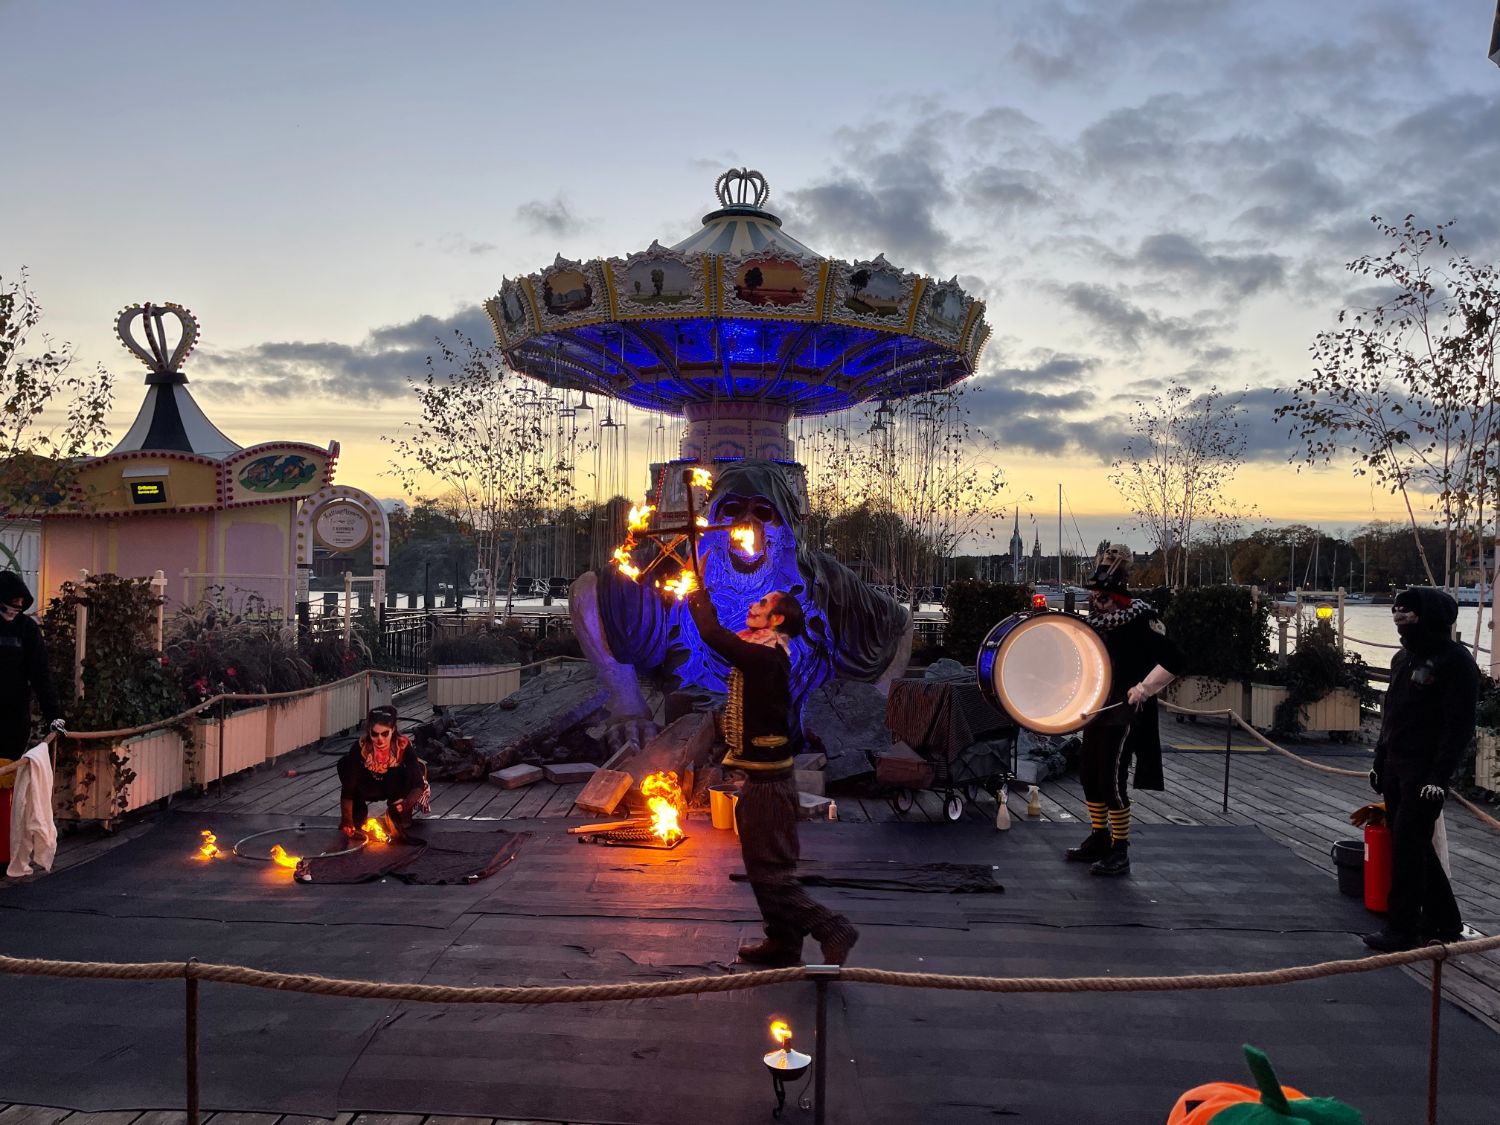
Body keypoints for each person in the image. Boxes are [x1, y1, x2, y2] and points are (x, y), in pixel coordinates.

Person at [686, 586, 859, 966]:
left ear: (777, 620)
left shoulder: (766, 658)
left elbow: (715, 636)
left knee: (770, 874)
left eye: (762, 604)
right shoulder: (764, 653)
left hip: (770, 785)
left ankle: (831, 927)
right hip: (762, 779)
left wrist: (696, 597)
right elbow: (725, 641)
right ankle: (783, 942)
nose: (753, 605)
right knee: (762, 867)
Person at [1363, 588, 1478, 952]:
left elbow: (1457, 725)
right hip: (1397, 762)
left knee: (1409, 848)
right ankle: (1445, 919)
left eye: (1408, 617)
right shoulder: (1402, 660)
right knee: (1409, 842)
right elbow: (1391, 714)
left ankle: (1402, 926)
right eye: (1396, 617)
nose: (1401, 625)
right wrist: (1380, 760)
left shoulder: (1455, 662)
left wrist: (1438, 777)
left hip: (1424, 769)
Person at [1065, 545, 1183, 876]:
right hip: (1098, 705)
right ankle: (1099, 838)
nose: (1097, 598)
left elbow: (1175, 659)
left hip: (1126, 708)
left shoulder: (1142, 617)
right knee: (1089, 774)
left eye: (1102, 593)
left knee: (1110, 777)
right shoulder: (1097, 620)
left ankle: (1120, 849)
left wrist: (1144, 687)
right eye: (1095, 592)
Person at [0, 572, 65, 766]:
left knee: (8, 775)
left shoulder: (27, 629)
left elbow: (41, 675)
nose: (13, 612)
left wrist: (54, 716)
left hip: (14, 719)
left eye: (18, 606)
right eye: (10, 605)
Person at [336, 705, 429, 841]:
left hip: (395, 786)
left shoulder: (403, 746)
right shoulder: (360, 747)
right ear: (369, 732)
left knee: (415, 769)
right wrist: (346, 819)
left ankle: (399, 816)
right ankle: (358, 815)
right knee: (344, 763)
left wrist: (406, 804)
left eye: (385, 734)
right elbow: (348, 787)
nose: (380, 739)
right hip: (369, 784)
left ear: (393, 730)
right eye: (375, 734)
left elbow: (418, 784)